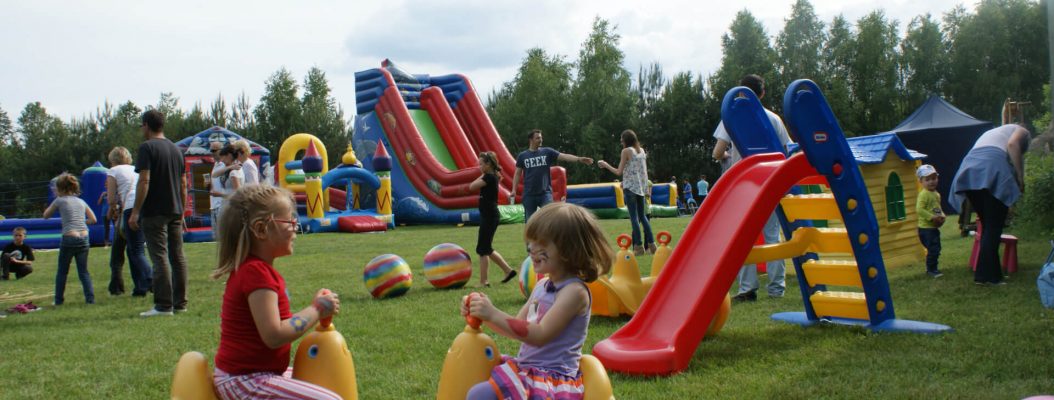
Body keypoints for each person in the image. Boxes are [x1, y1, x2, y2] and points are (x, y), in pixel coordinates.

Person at [462, 202, 613, 400]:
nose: (531, 249)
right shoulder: (543, 286)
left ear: (568, 250)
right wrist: (482, 313)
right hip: (529, 370)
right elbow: (517, 329)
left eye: (541, 244)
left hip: (552, 379)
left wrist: (492, 313)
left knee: (481, 395)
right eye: (531, 242)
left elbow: (540, 335)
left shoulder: (574, 293)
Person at [210, 185, 342, 400]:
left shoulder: (257, 270)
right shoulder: (255, 273)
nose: (295, 227)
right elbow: (274, 335)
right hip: (244, 380)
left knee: (319, 381)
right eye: (289, 221)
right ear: (261, 229)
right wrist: (317, 309)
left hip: (257, 375)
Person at [712, 74, 793, 302]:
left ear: (740, 92)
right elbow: (785, 151)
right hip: (771, 181)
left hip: (745, 184)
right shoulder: (774, 118)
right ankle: (777, 288)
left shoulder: (732, 116)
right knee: (772, 236)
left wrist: (727, 155)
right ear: (762, 93)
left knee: (744, 236)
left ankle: (747, 288)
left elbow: (718, 152)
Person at [950, 124, 1031, 286]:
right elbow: (1012, 145)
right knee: (994, 226)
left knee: (989, 227)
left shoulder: (993, 132)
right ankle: (988, 277)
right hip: (990, 167)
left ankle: (989, 275)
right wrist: (1020, 178)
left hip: (969, 169)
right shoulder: (1023, 131)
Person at [130, 110, 189, 317]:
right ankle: (180, 303)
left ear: (146, 125)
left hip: (154, 210)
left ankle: (163, 306)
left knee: (159, 257)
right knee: (178, 257)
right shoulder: (176, 149)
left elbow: (144, 180)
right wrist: (181, 210)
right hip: (175, 209)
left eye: (141, 126)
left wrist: (135, 211)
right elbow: (183, 184)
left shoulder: (147, 148)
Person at [511, 129, 594, 222]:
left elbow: (564, 156)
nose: (541, 140)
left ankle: (549, 236)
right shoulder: (523, 156)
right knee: (530, 222)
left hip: (545, 194)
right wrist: (514, 189)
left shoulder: (547, 152)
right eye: (538, 138)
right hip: (529, 195)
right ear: (531, 140)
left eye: (541, 138)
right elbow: (517, 173)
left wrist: (578, 159)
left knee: (550, 220)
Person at [599, 129, 657, 256]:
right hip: (641, 189)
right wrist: (645, 188)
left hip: (630, 189)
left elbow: (619, 172)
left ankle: (638, 247)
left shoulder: (626, 151)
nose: (621, 141)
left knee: (634, 219)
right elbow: (644, 172)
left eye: (622, 139)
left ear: (626, 140)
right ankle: (652, 245)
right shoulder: (641, 151)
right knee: (643, 217)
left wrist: (605, 164)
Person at [44, 173, 97, 305]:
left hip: (69, 237)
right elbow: (93, 219)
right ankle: (90, 300)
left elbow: (46, 215)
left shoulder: (59, 200)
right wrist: (80, 221)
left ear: (60, 189)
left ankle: (58, 300)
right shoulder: (81, 201)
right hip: (84, 237)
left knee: (62, 271)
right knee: (83, 272)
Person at [106, 147, 152, 297]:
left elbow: (111, 198)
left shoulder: (113, 171)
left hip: (130, 208)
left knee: (134, 250)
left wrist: (113, 208)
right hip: (145, 205)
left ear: (112, 159)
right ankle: (140, 287)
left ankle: (152, 278)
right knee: (134, 248)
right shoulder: (135, 169)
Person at [468, 151, 517, 287]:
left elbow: (471, 187)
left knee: (483, 249)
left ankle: (484, 281)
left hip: (490, 216)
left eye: (481, 164)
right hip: (489, 215)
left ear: (489, 164)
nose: (479, 167)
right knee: (485, 248)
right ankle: (508, 271)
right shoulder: (491, 176)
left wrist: (482, 173)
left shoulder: (489, 177)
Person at [915, 164, 945, 278]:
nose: (932, 182)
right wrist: (931, 217)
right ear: (921, 182)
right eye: (927, 179)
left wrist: (941, 216)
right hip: (925, 229)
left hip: (933, 228)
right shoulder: (924, 195)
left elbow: (936, 208)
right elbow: (919, 209)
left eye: (934, 178)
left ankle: (933, 268)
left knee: (936, 248)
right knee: (933, 248)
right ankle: (931, 270)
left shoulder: (936, 194)